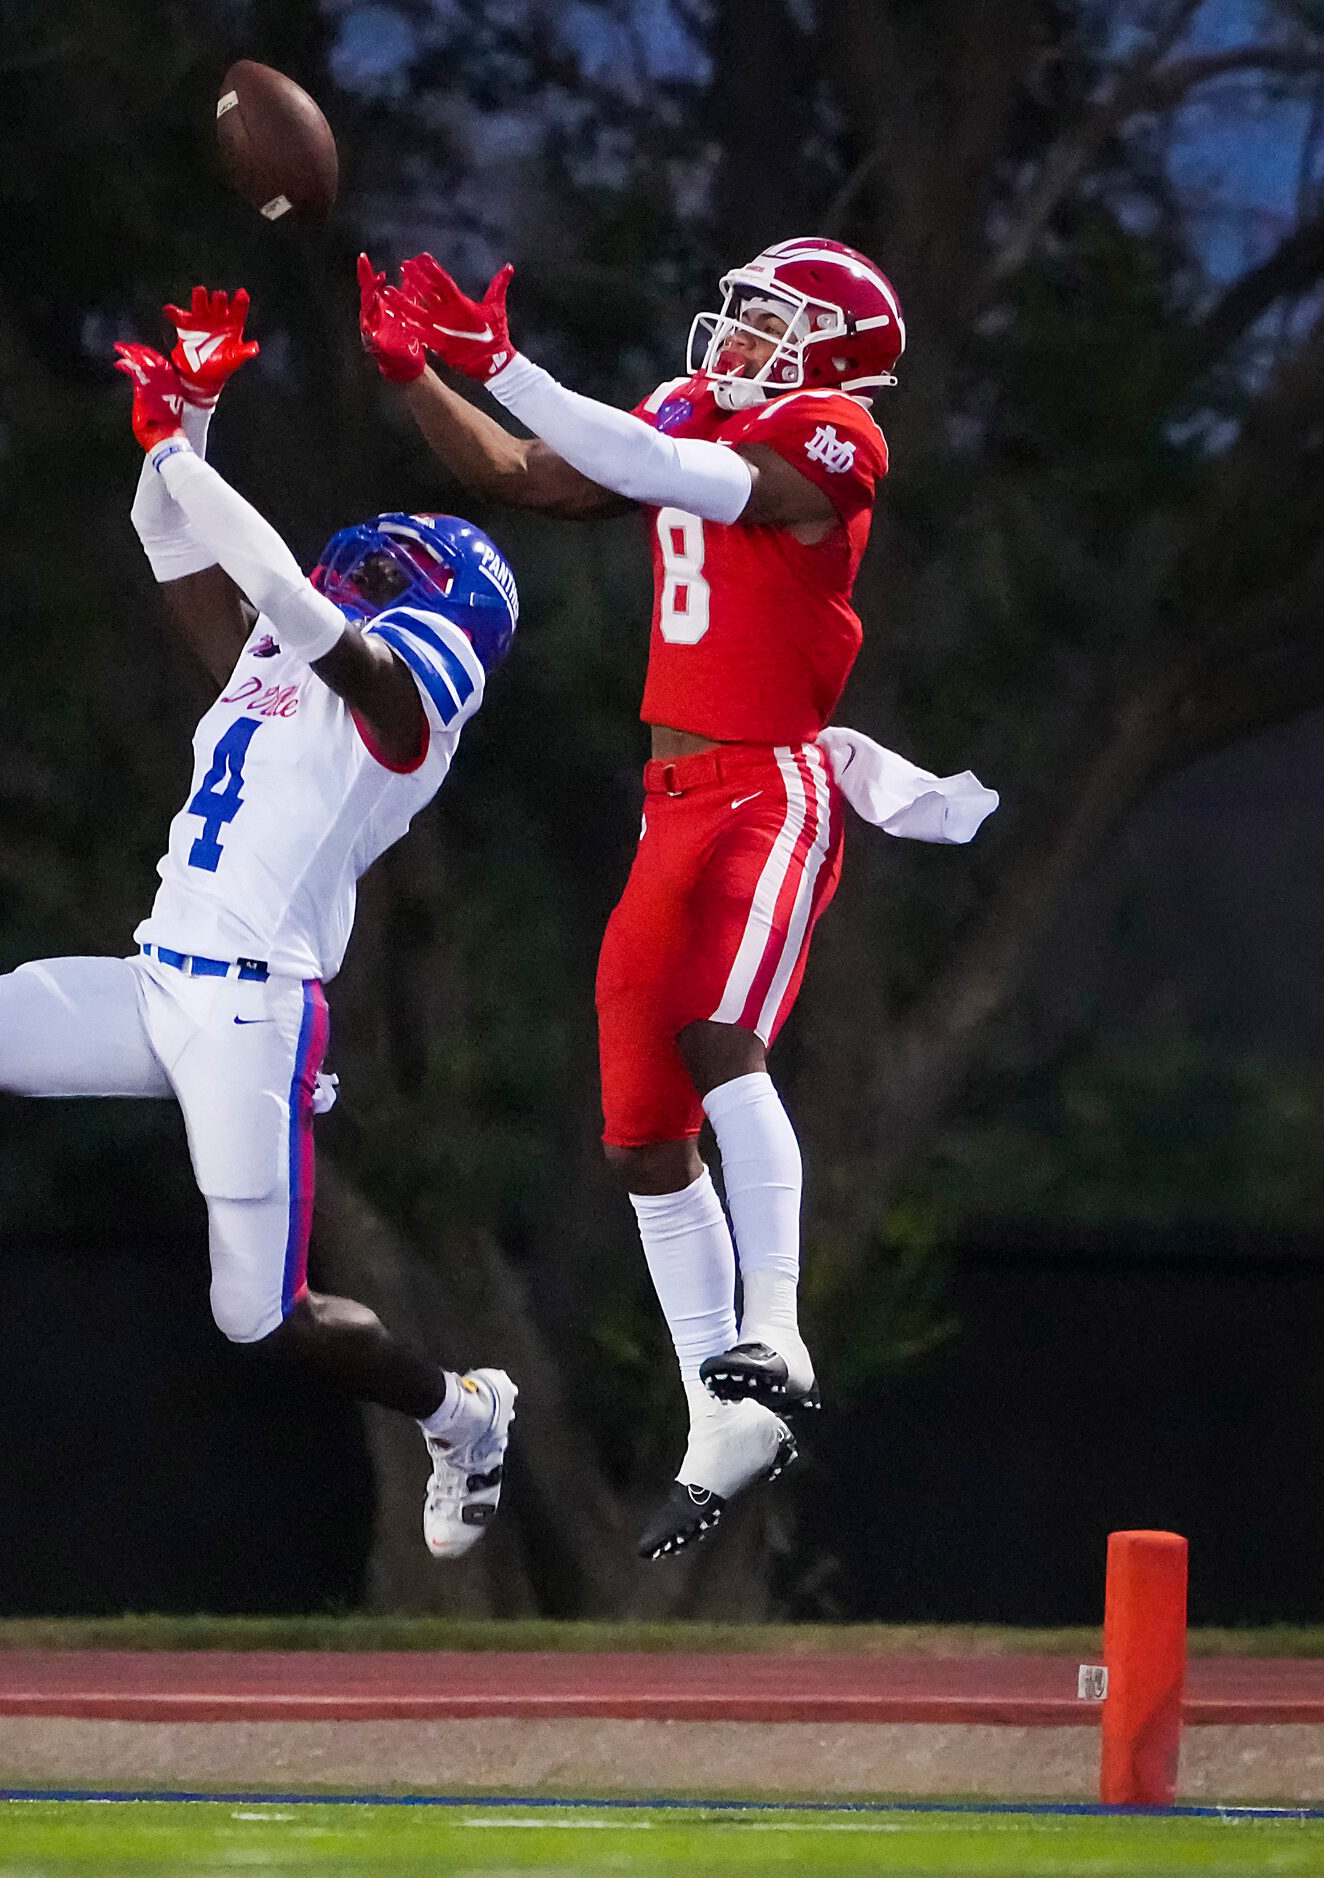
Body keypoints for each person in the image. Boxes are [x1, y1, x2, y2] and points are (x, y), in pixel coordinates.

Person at [0, 285, 524, 1561]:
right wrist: (177, 422)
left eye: (398, 570)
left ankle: (461, 1412)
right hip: (157, 978)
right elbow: (172, 546)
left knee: (258, 1320)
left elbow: (287, 588)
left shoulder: (407, 716)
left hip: (252, 1013)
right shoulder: (281, 663)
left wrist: (185, 447)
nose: (373, 569)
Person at [360, 238, 994, 1559]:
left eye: (771, 322)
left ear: (831, 349)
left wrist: (507, 364)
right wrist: (421, 377)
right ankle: (726, 1404)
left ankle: (777, 1326)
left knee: (719, 1039)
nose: (740, 340)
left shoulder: (833, 440)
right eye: (742, 317)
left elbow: (671, 475)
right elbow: (535, 475)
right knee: (642, 1138)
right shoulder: (696, 406)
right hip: (671, 805)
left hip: (773, 788)